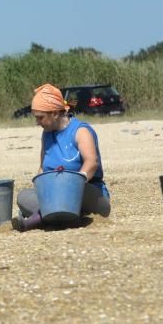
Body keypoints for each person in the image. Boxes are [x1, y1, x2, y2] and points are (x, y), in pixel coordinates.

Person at [12, 84, 111, 230]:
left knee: (67, 198)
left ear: (55, 114)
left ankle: (41, 218)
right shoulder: (46, 134)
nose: (37, 122)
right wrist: (41, 191)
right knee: (23, 197)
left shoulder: (81, 131)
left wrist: (70, 186)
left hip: (86, 192)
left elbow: (92, 163)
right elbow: (42, 169)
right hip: (55, 197)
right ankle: (63, 218)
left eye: (40, 118)